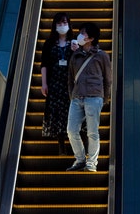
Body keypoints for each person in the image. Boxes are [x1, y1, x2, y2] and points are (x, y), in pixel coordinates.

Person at [65, 22, 111, 172]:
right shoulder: (75, 55)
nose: (80, 35)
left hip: (94, 96)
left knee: (92, 131)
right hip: (77, 97)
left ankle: (92, 163)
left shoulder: (101, 56)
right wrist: (72, 94)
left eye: (83, 33)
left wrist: (104, 97)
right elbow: (70, 77)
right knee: (71, 130)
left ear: (91, 38)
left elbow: (107, 78)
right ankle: (79, 159)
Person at [40, 12, 75, 155]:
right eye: (59, 23)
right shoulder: (49, 44)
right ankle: (61, 144)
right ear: (55, 25)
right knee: (57, 113)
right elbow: (44, 64)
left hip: (70, 83)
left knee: (72, 112)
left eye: (64, 23)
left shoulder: (73, 42)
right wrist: (44, 83)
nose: (62, 26)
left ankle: (75, 144)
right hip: (54, 83)